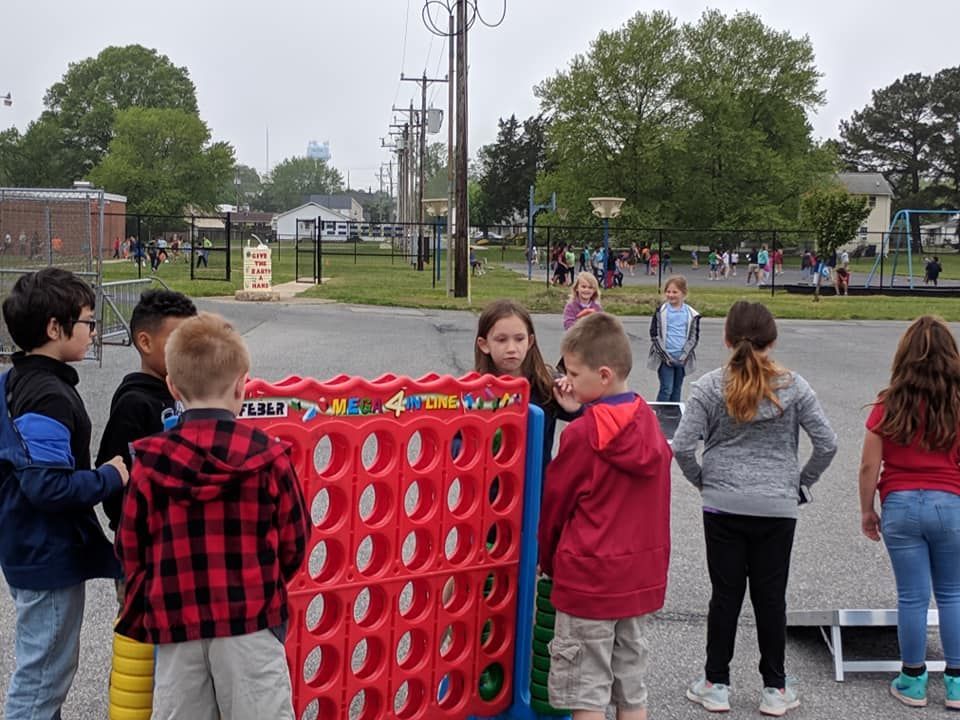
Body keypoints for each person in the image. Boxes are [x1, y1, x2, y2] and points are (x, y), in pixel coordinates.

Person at [114, 312, 310, 720]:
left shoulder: (150, 462)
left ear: (172, 385)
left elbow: (131, 545)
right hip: (250, 620)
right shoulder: (269, 457)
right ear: (242, 385)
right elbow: (295, 541)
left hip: (176, 623)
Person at [672, 301, 837, 717]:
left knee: (725, 595)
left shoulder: (710, 386)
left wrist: (704, 482)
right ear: (773, 339)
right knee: (770, 597)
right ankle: (775, 688)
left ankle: (716, 683)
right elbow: (828, 444)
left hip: (723, 502)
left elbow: (682, 446)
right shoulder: (795, 387)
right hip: (776, 505)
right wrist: (800, 484)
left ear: (727, 339)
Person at [0, 268, 129, 720]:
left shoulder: (20, 379)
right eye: (88, 322)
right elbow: (47, 486)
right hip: (46, 555)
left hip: (30, 548)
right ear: (55, 328)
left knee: (45, 669)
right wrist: (112, 475)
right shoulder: (47, 396)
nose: (94, 332)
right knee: (41, 681)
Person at [539, 312, 672, 720]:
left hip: (589, 579)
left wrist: (547, 561)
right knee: (631, 687)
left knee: (587, 690)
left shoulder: (581, 436)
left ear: (602, 374)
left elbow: (556, 506)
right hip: (637, 579)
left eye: (574, 373)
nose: (569, 381)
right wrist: (581, 409)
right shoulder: (649, 424)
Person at [858, 316, 960, 710]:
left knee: (913, 597)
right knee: (952, 594)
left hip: (900, 503)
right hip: (950, 502)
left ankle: (913, 680)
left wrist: (868, 511)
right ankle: (955, 683)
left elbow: (869, 467)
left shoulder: (888, 403)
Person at [96, 290, 198, 534]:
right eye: (178, 341)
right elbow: (114, 476)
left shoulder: (189, 394)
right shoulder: (134, 404)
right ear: (145, 342)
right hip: (147, 540)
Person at [475, 300, 580, 473]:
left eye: (519, 339)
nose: (511, 348)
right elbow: (456, 440)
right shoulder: (475, 391)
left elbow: (594, 419)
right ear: (484, 344)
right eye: (501, 340)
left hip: (537, 490)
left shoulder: (547, 384)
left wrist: (576, 407)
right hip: (490, 492)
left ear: (530, 341)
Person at [648, 275, 701, 402]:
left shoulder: (692, 314)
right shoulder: (660, 312)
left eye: (675, 292)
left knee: (677, 389)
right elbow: (654, 335)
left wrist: (684, 356)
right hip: (665, 358)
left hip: (682, 358)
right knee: (667, 389)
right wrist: (666, 357)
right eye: (668, 291)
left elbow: (694, 337)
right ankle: (660, 417)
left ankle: (674, 417)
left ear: (683, 293)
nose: (671, 295)